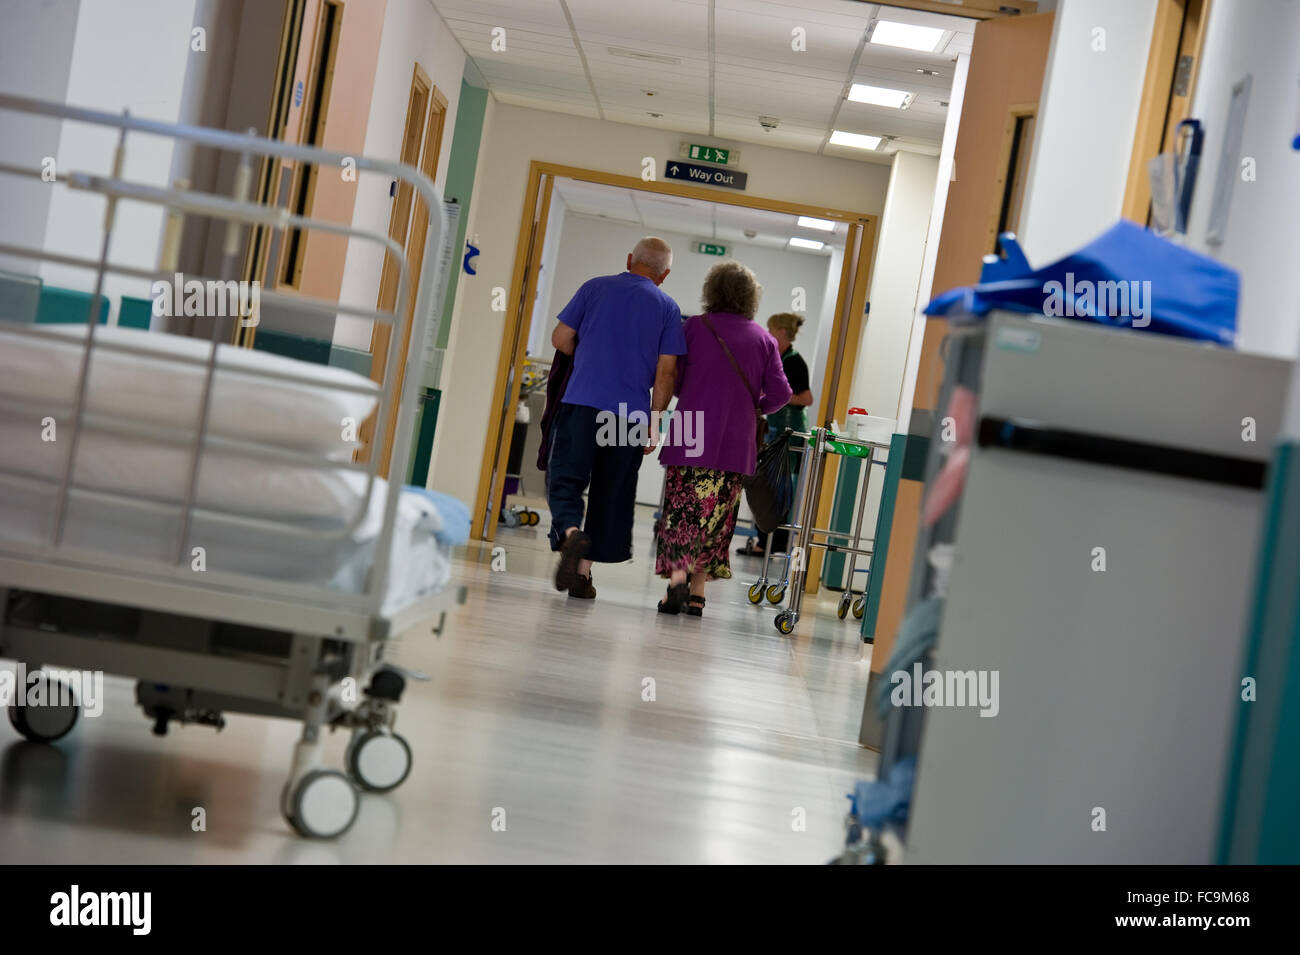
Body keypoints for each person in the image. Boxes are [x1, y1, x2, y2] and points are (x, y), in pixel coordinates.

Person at [547, 237, 686, 600]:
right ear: (665, 274)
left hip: (582, 403)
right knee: (612, 491)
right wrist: (655, 424)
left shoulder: (594, 287)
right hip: (628, 416)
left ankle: (571, 534)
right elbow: (666, 374)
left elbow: (560, 337)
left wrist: (589, 354)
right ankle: (582, 573)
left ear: (629, 259)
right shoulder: (668, 307)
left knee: (566, 477)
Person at [654, 261, 792, 617]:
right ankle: (697, 595)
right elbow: (781, 395)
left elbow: (677, 378)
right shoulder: (764, 339)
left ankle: (678, 582)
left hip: (691, 432)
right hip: (736, 440)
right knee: (716, 517)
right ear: (751, 298)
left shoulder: (695, 329)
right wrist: (752, 405)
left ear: (711, 291)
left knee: (682, 512)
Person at [748, 311, 815, 556]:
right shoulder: (777, 357)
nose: (768, 334)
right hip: (776, 430)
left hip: (789, 432)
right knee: (768, 485)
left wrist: (781, 399)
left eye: (771, 330)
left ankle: (771, 543)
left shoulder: (795, 362)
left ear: (783, 333)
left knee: (778, 487)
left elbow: (806, 398)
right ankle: (765, 541)